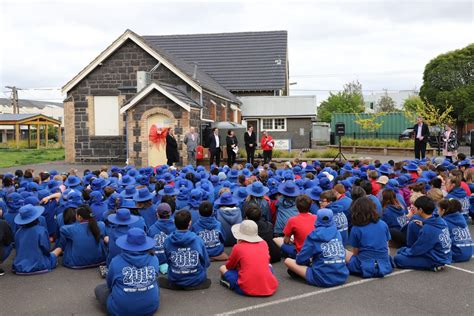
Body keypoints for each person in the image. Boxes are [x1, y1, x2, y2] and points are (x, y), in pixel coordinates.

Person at [94, 228, 160, 316]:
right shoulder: (154, 259)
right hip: (150, 308)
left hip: (121, 311)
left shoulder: (116, 261)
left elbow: (110, 285)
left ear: (126, 244)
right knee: (154, 286)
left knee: (99, 289)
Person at [284, 208, 349, 287]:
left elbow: (301, 260)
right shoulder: (337, 232)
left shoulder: (313, 236)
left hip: (323, 278)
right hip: (342, 276)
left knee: (288, 261)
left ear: (317, 219)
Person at [219, 220, 279, 296]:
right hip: (269, 287)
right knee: (269, 266)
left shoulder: (238, 247)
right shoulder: (263, 243)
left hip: (246, 288)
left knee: (223, 268)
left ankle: (231, 284)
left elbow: (229, 266)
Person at [394, 196, 452, 271]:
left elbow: (419, 249)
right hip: (442, 253)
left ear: (420, 210)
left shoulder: (429, 229)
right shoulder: (440, 220)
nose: (413, 209)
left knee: (398, 258)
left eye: (414, 208)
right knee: (413, 224)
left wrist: (405, 251)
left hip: (435, 258)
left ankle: (435, 265)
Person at [346, 197, 393, 278]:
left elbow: (355, 253)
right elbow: (386, 246)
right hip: (384, 265)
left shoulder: (356, 228)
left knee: (344, 251)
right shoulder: (383, 224)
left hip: (363, 266)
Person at [163, 210, 211, 289]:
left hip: (175, 278)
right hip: (196, 279)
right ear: (190, 223)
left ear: (174, 222)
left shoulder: (167, 240)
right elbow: (206, 262)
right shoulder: (198, 239)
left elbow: (168, 260)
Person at [13, 204, 58, 275]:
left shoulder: (18, 233)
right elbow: (46, 249)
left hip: (19, 266)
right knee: (54, 254)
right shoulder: (41, 231)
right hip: (40, 264)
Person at [147, 203, 176, 274]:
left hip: (157, 261)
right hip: (174, 260)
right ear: (171, 213)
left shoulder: (151, 229)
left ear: (157, 214)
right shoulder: (177, 226)